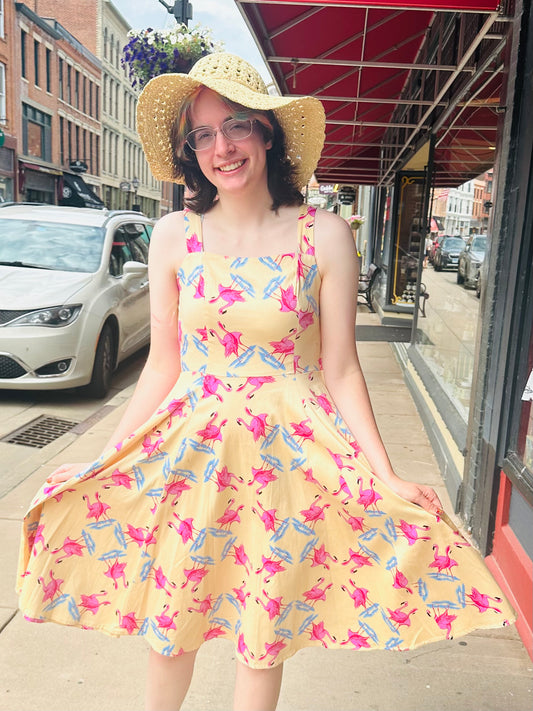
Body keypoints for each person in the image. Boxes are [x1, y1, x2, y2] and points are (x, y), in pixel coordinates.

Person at [17, 53, 515, 711]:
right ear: (190, 149)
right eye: (202, 134)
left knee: (263, 630)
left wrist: (384, 473)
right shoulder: (172, 236)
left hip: (287, 459)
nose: (221, 147)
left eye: (237, 126)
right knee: (172, 624)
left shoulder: (327, 235)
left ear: (268, 132)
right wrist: (109, 453)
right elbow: (164, 364)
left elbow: (339, 367)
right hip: (193, 454)